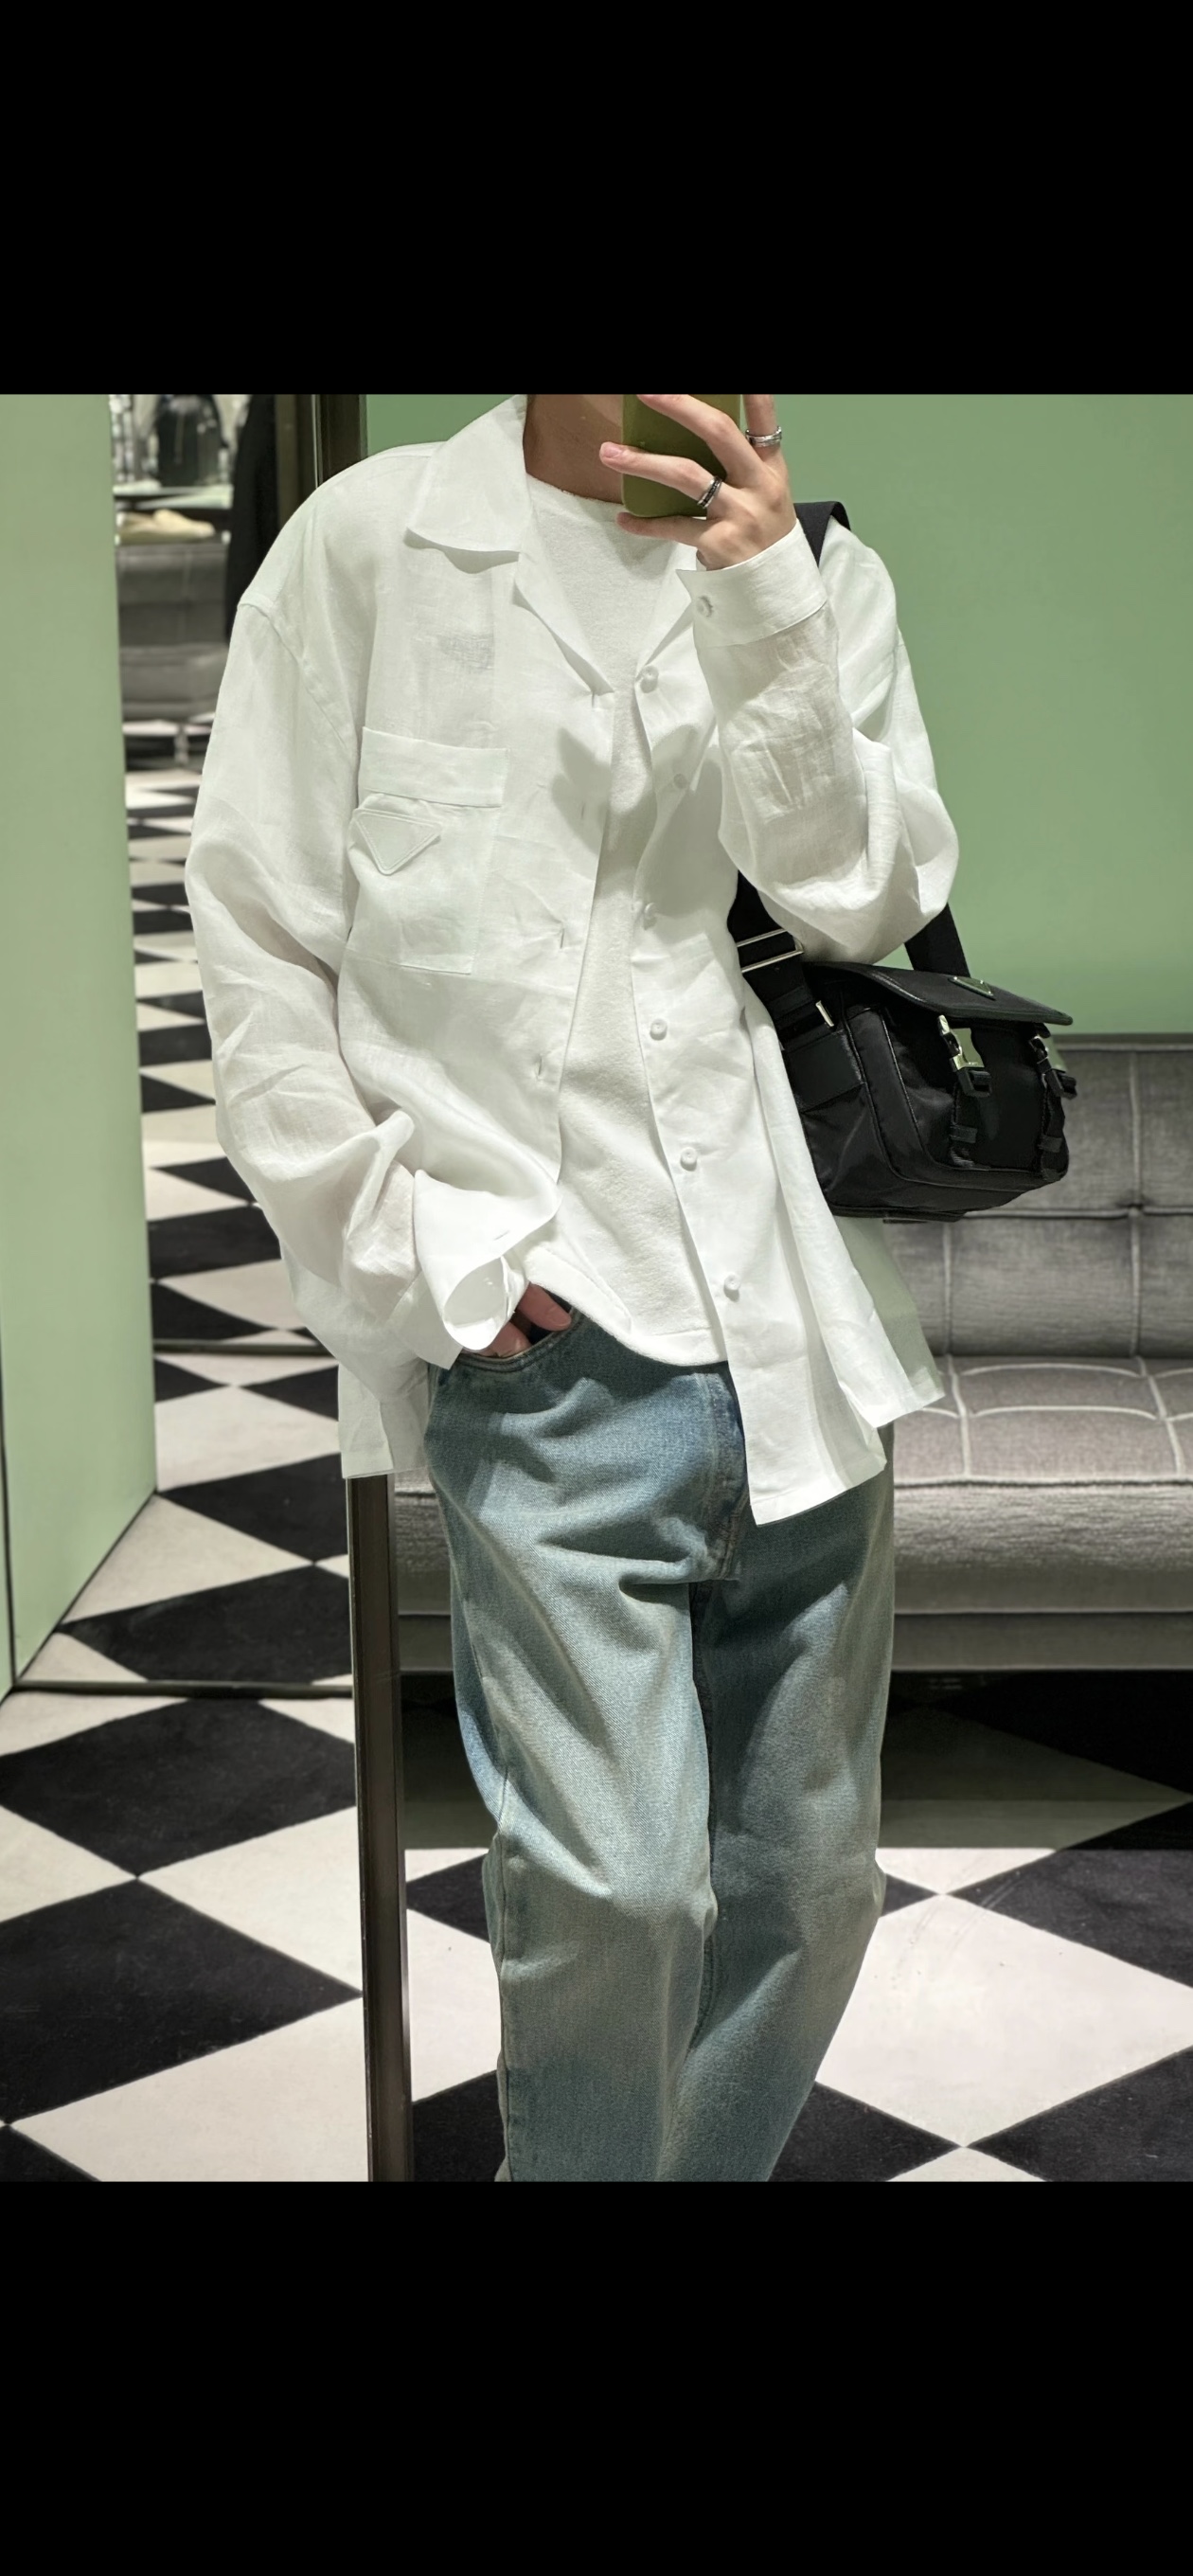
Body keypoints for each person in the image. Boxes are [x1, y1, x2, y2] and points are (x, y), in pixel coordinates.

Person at [187, 395, 957, 2181]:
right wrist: (415, 1257)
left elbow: (860, 900)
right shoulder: (373, 547)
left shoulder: (817, 573)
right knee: (618, 1892)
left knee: (812, 1893)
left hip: (792, 1344)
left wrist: (766, 606)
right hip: (545, 1351)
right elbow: (263, 940)